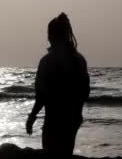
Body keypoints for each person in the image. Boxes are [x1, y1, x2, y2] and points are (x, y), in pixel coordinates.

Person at [26, 12, 90, 157]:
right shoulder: (79, 60)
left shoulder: (47, 61)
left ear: (51, 36)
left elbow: (41, 95)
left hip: (53, 122)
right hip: (73, 120)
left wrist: (32, 116)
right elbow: (85, 92)